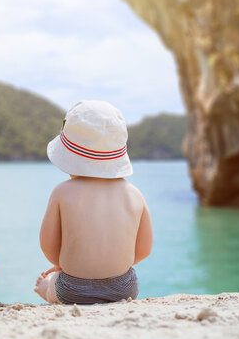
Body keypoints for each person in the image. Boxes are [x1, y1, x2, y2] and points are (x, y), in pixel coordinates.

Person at [34, 100, 153, 304]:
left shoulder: (62, 192)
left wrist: (64, 265)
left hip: (73, 289)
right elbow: (144, 249)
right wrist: (111, 266)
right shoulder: (134, 194)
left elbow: (48, 246)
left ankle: (47, 289)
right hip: (124, 288)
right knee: (122, 276)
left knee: (52, 284)